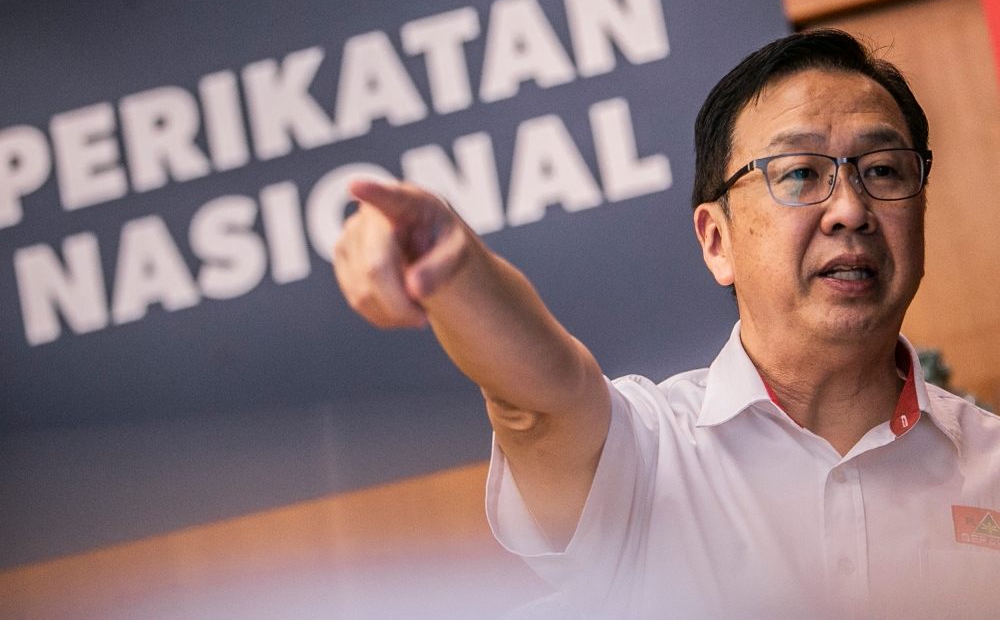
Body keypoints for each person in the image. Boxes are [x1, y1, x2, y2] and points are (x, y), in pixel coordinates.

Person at [333, 30, 1000, 619]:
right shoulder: (646, 455)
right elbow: (538, 402)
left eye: (883, 170)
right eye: (800, 173)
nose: (850, 209)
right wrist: (451, 264)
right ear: (717, 241)